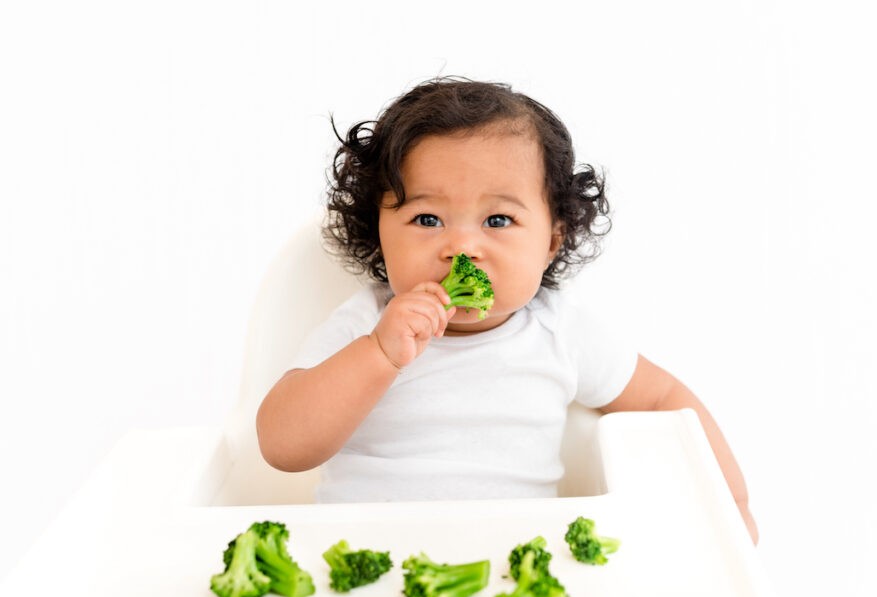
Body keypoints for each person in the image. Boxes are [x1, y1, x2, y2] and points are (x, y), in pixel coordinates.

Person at [256, 77, 758, 544]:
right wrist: (378, 356)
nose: (462, 247)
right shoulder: (364, 324)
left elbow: (662, 401)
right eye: (426, 218)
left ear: (551, 242)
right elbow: (282, 445)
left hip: (512, 571)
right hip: (367, 555)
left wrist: (731, 502)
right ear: (379, 234)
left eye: (498, 219)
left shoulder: (560, 331)